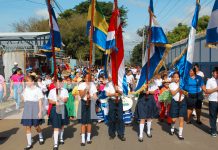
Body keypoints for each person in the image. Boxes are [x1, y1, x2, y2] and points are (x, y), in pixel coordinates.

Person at [21, 75, 45, 150]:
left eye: (27, 81)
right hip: (27, 108)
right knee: (28, 126)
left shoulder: (38, 89)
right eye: (26, 81)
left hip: (35, 107)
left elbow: (40, 101)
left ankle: (40, 135)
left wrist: (40, 111)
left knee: (36, 125)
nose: (26, 82)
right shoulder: (26, 89)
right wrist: (21, 96)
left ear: (32, 81)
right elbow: (23, 98)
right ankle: (29, 144)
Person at [48, 78, 69, 150]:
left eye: (59, 83)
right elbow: (50, 101)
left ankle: (61, 138)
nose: (58, 84)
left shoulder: (65, 90)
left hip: (62, 107)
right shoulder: (51, 91)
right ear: (54, 84)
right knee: (56, 126)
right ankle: (55, 144)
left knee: (62, 125)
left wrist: (60, 98)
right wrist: (55, 102)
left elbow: (66, 100)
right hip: (55, 108)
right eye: (56, 83)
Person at [78, 73, 98, 146]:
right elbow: (81, 95)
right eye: (86, 78)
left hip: (91, 103)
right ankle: (83, 140)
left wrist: (92, 97)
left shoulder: (93, 85)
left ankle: (88, 138)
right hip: (83, 103)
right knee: (83, 122)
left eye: (89, 78)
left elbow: (96, 97)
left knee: (89, 122)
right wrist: (86, 90)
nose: (88, 79)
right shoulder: (81, 85)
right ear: (84, 78)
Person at [104, 74, 126, 141]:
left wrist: (118, 90)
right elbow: (106, 94)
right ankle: (112, 134)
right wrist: (113, 94)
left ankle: (121, 134)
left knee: (120, 118)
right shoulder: (108, 84)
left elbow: (122, 92)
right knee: (112, 118)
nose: (111, 78)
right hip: (112, 101)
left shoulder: (120, 83)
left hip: (119, 101)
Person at [169, 72, 187, 140]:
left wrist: (184, 91)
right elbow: (173, 93)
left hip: (182, 102)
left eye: (177, 77)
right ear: (173, 78)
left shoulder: (183, 84)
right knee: (173, 119)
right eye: (175, 77)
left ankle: (180, 134)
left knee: (181, 118)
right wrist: (178, 89)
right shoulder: (171, 85)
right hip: (174, 102)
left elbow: (186, 93)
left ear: (179, 77)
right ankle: (172, 127)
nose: (176, 78)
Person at [206, 67, 218, 137]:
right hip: (213, 101)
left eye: (217, 73)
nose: (216, 74)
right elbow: (207, 91)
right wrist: (215, 89)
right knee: (213, 116)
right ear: (212, 73)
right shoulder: (210, 81)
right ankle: (213, 130)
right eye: (215, 73)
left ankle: (213, 128)